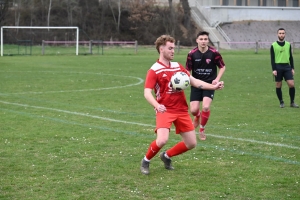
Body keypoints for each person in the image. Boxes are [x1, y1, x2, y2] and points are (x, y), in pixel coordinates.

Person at [140, 35, 224, 175]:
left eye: (174, 48)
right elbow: (147, 93)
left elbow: (195, 82)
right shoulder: (154, 70)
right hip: (165, 110)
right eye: (170, 48)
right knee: (162, 140)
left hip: (181, 110)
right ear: (161, 49)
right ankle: (146, 160)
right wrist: (156, 105)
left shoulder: (177, 66)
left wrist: (213, 87)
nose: (173, 51)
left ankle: (166, 156)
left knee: (191, 143)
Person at [185, 31, 226, 141]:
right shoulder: (192, 54)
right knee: (193, 110)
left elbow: (222, 67)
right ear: (197, 40)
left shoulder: (214, 53)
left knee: (206, 107)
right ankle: (197, 116)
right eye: (201, 39)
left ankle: (202, 129)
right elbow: (187, 70)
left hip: (209, 85)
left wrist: (217, 80)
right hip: (196, 84)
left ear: (208, 40)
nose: (203, 41)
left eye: (205, 39)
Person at [270, 28, 298, 108]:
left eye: (283, 33)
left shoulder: (288, 44)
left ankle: (292, 102)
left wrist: (292, 67)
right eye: (280, 33)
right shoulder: (273, 45)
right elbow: (272, 58)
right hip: (278, 66)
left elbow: (291, 57)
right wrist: (274, 69)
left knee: (291, 84)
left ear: (285, 34)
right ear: (277, 34)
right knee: (278, 85)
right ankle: (281, 102)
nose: (281, 35)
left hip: (287, 66)